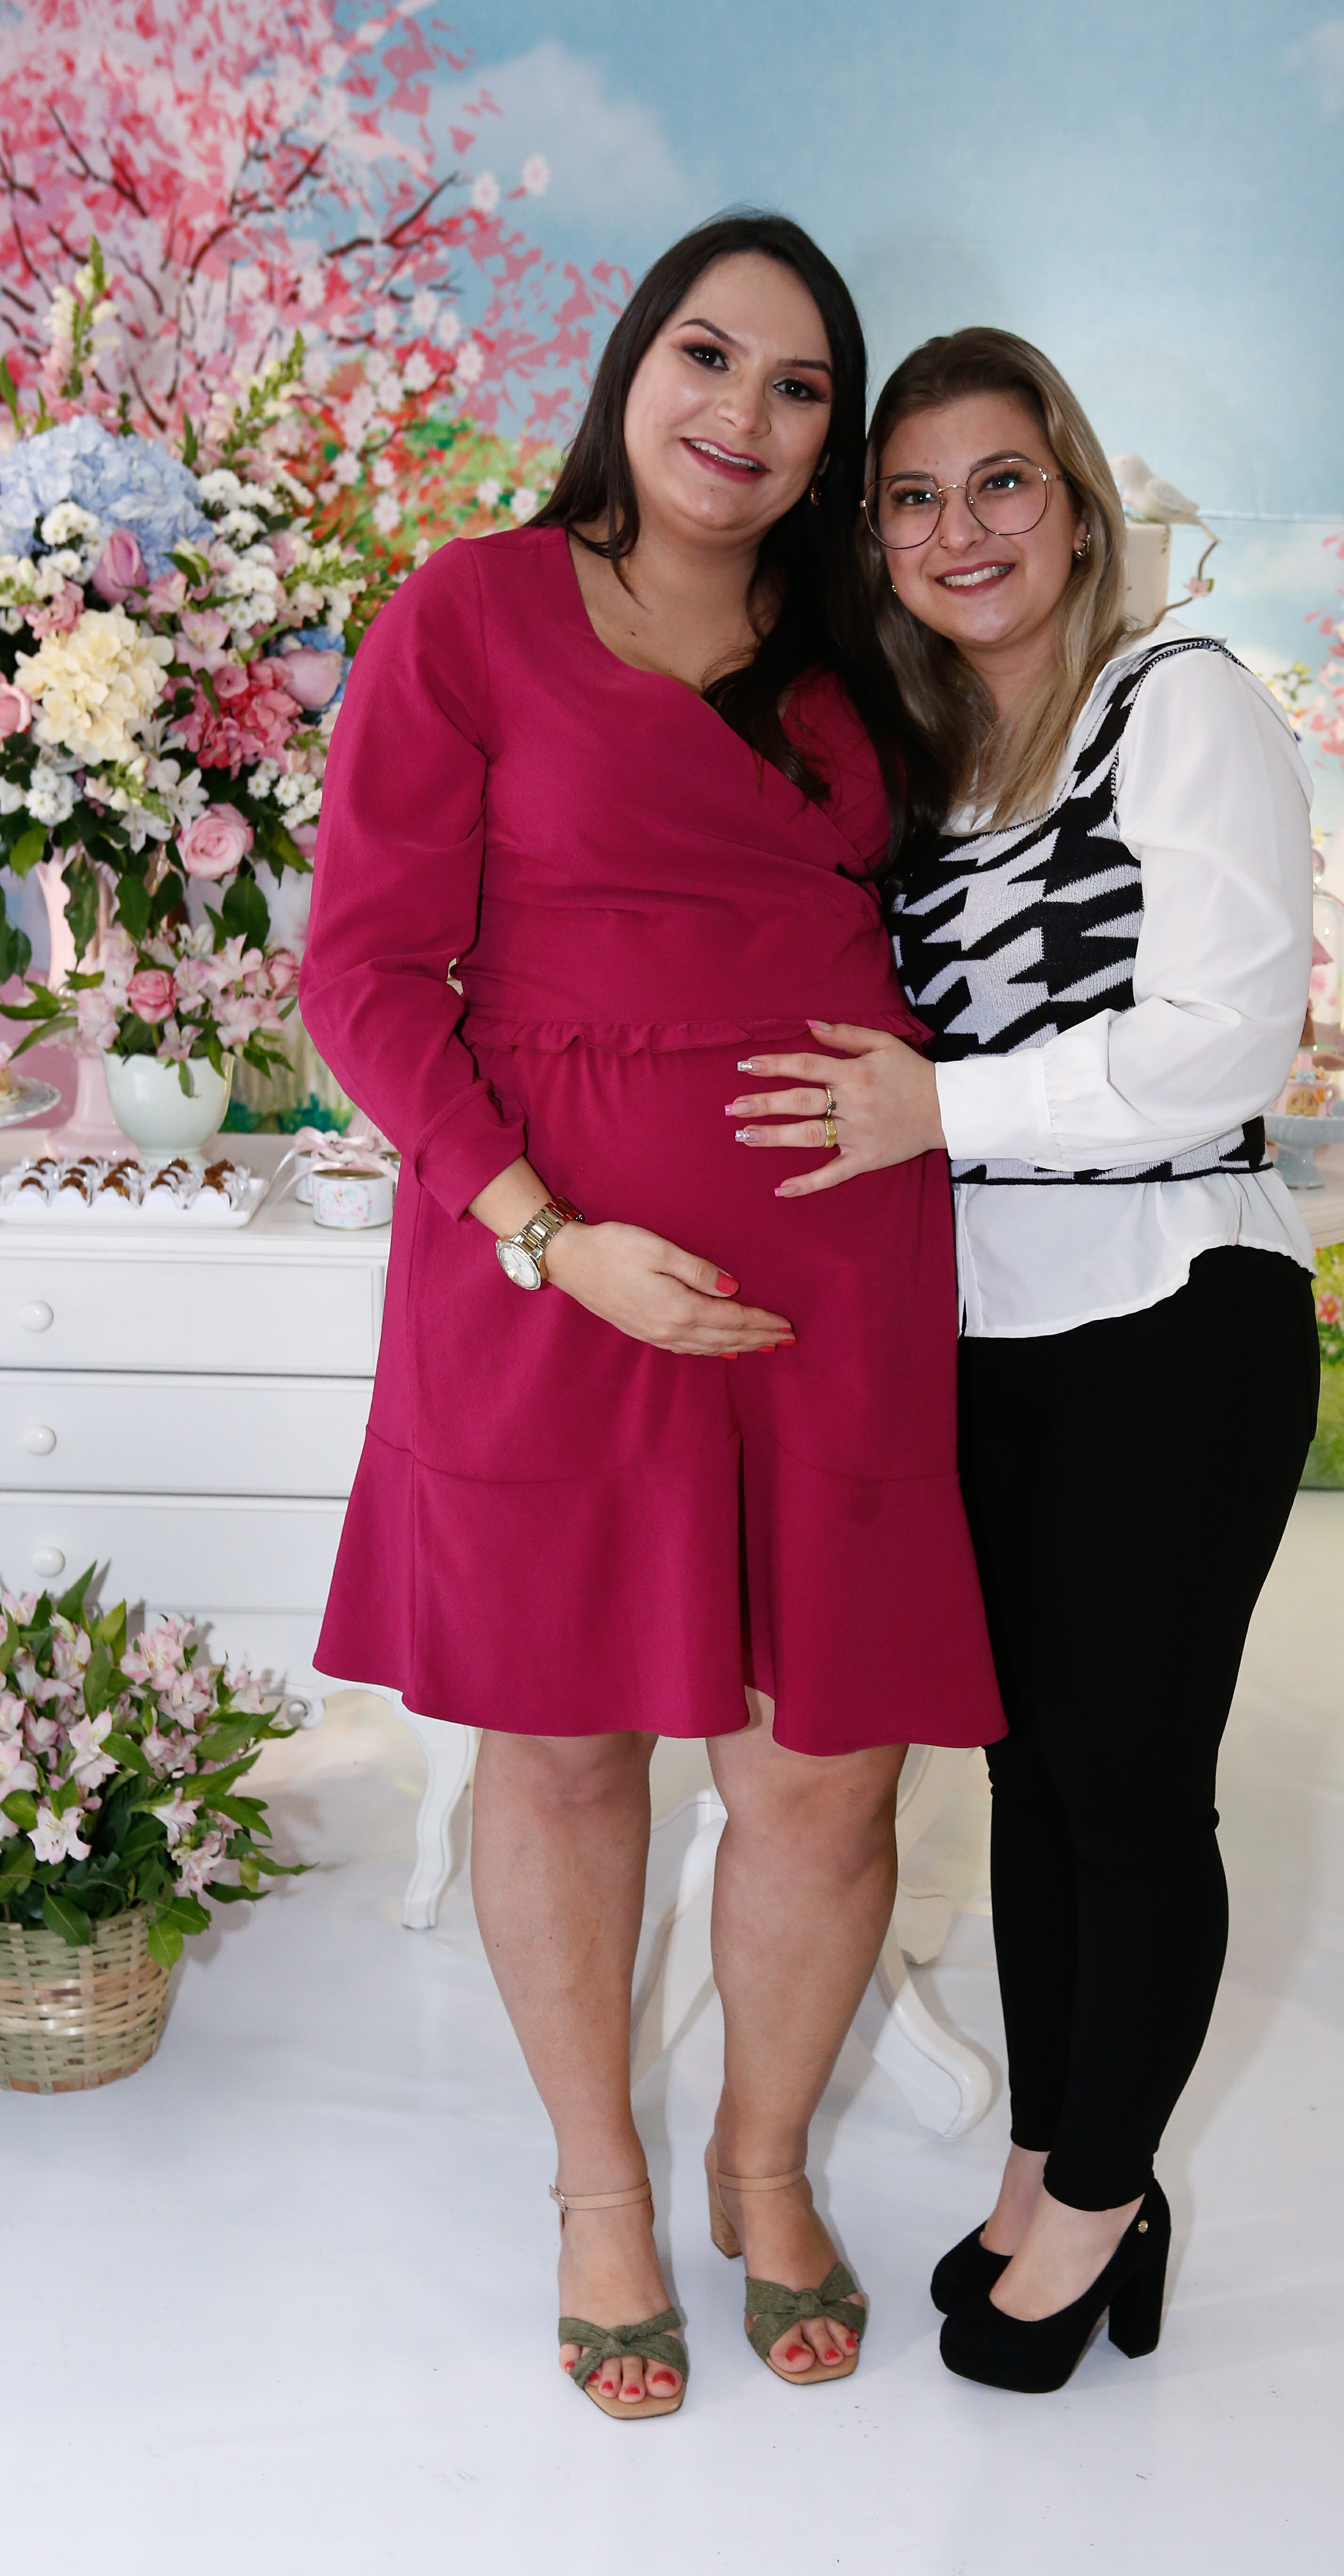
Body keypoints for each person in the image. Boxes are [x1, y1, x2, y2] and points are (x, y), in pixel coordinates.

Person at [299, 222, 1004, 2423]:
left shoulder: (865, 640)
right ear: (631, 368)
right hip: (547, 1267)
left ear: (832, 442)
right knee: (564, 1743)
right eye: (710, 356)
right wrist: (547, 1230)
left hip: (836, 1272)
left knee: (825, 1774)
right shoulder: (469, 614)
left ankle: (760, 2160)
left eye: (801, 388)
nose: (744, 414)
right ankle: (599, 2186)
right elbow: (361, 978)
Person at [728, 328, 1319, 2393]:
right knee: (1034, 1783)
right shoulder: (930, 769)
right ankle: (1054, 2165)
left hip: (1172, 1316)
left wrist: (937, 1110)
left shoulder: (1182, 703)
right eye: (912, 496)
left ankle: (1096, 2205)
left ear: (1072, 503)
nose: (958, 529)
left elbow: (1221, 1044)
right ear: (874, 542)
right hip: (981, 1336)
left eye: (1000, 483)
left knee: (1134, 1795)